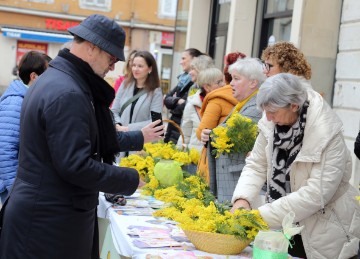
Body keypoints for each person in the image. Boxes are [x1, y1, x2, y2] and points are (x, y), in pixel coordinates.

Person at [0, 14, 163, 259]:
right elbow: (76, 165)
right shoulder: (68, 91)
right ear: (92, 48)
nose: (113, 66)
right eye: (112, 58)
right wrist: (128, 178)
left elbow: (91, 139)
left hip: (47, 217)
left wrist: (136, 139)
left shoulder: (60, 80)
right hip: (48, 223)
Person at [231, 73, 360, 258]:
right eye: (265, 111)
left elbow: (316, 194)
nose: (268, 118)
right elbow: (256, 165)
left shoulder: (327, 134)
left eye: (273, 112)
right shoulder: (270, 124)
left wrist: (258, 217)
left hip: (325, 232)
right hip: (283, 228)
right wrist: (242, 199)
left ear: (293, 106)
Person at [202, 58, 265, 201]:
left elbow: (231, 133)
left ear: (253, 82)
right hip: (231, 178)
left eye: (236, 79)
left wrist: (211, 134)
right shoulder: (244, 103)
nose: (231, 83)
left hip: (236, 180)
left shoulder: (255, 107)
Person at [0, 51, 51, 204]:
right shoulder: (15, 103)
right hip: (16, 190)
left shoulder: (28, 98)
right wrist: (16, 191)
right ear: (33, 76)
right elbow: (5, 150)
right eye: (47, 76)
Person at [111, 50, 163, 159]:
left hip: (141, 145)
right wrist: (118, 125)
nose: (135, 69)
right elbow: (114, 110)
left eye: (140, 66)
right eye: (134, 65)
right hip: (120, 140)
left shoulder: (156, 91)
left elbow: (155, 121)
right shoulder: (125, 84)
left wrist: (127, 128)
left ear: (150, 69)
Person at [195, 67, 238, 183]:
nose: (223, 84)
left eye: (222, 80)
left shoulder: (216, 100)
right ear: (206, 87)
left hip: (214, 158)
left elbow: (201, 132)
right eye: (218, 82)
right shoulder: (237, 96)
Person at [176, 54, 215, 152]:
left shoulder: (214, 93)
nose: (190, 73)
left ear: (202, 70)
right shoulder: (193, 88)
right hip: (193, 149)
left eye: (193, 69)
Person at [164, 48, 202, 144]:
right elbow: (166, 99)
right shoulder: (183, 80)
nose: (180, 62)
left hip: (183, 131)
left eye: (184, 58)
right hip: (174, 129)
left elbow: (184, 108)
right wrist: (177, 100)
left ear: (194, 59)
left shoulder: (196, 84)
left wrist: (174, 102)